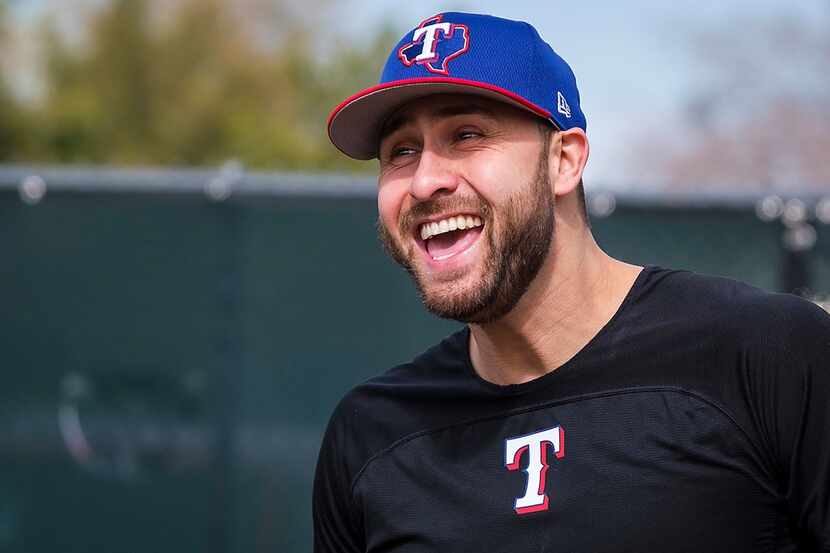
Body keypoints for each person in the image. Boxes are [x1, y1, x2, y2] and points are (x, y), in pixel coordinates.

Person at [314, 11, 830, 552]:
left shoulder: (764, 355)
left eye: (466, 135)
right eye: (401, 151)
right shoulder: (371, 435)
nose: (424, 181)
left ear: (564, 160)